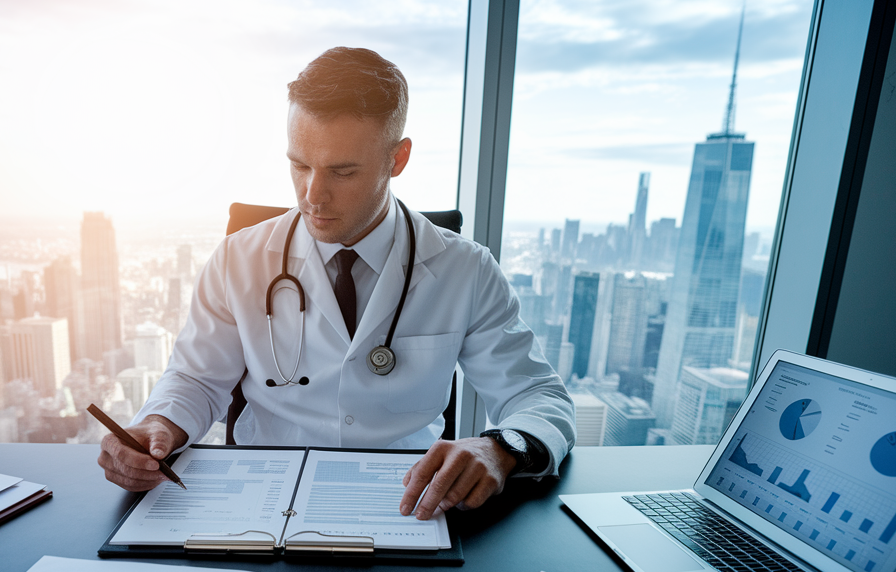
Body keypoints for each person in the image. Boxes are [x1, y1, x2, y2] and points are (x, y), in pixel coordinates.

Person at [98, 47, 574, 520]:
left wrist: (502, 448)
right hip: (263, 501)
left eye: (342, 172)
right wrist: (158, 424)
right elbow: (196, 379)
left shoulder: (465, 269)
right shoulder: (237, 259)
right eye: (300, 165)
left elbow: (538, 396)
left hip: (406, 500)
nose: (313, 196)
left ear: (398, 158)